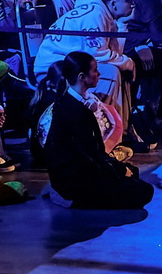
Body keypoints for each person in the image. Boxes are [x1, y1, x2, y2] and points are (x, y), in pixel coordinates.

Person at [35, 52, 153, 210]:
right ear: (82, 76)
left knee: (132, 174)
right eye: (95, 70)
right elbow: (88, 154)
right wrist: (117, 170)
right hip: (76, 178)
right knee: (144, 191)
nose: (98, 74)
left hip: (78, 170)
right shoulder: (75, 110)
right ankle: (69, 198)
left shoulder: (71, 102)